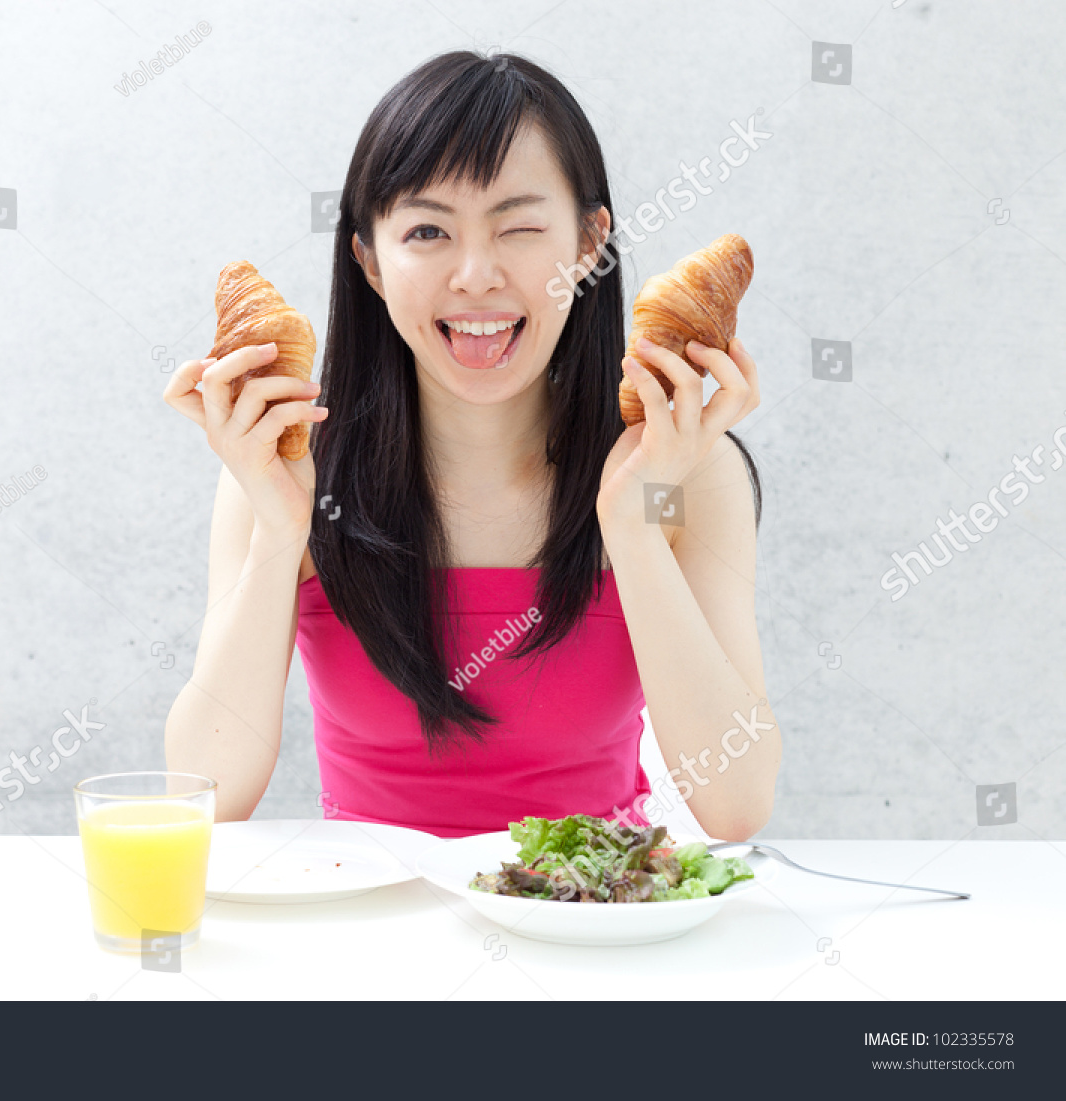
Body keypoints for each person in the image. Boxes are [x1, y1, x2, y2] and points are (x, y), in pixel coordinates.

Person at [162, 50, 780, 841]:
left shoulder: (687, 470)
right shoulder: (289, 470)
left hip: (589, 929)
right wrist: (284, 530)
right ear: (370, 261)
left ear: (592, 245)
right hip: (372, 925)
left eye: (519, 226)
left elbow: (736, 806)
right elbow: (204, 795)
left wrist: (630, 527)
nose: (476, 275)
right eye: (426, 230)